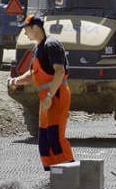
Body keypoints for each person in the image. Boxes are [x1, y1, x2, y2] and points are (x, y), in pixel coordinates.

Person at [8, 14, 74, 171]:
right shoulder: (39, 48)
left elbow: (59, 71)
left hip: (56, 95)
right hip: (46, 98)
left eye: (26, 29)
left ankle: (70, 175)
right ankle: (55, 177)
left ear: (35, 28)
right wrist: (16, 81)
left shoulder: (52, 45)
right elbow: (33, 74)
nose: (24, 33)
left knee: (55, 138)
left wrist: (50, 96)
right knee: (45, 140)